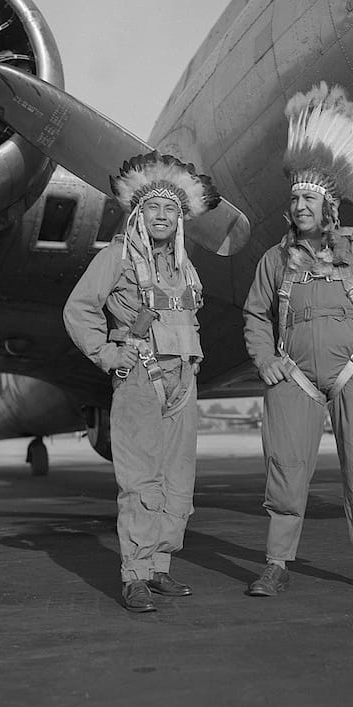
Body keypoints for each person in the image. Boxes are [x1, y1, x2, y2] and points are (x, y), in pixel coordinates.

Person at [243, 82, 353, 597]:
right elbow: (255, 316)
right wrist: (265, 360)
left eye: (309, 198)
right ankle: (276, 563)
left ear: (329, 206)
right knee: (285, 469)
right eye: (294, 197)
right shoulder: (274, 260)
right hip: (292, 378)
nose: (300, 205)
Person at [63, 151, 220, 612]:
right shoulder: (116, 258)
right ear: (138, 213)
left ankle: (159, 568)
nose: (162, 216)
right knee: (140, 482)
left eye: (170, 209)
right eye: (153, 208)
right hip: (140, 378)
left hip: (183, 382)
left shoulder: (184, 268)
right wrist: (110, 355)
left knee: (178, 482)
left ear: (180, 219)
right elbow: (78, 310)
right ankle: (134, 574)